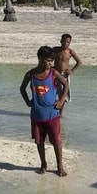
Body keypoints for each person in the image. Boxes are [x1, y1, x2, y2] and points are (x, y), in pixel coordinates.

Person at [20, 46, 69, 177]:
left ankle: (60, 167)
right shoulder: (31, 74)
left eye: (52, 61)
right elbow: (22, 89)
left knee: (57, 141)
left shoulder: (54, 73)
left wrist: (61, 101)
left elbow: (66, 85)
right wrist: (27, 101)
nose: (50, 64)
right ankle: (43, 164)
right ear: (40, 58)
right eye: (48, 60)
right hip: (36, 116)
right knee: (39, 141)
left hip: (52, 115)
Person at [53, 33, 82, 109]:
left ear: (70, 43)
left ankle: (60, 115)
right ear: (61, 41)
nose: (66, 43)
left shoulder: (70, 52)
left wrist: (72, 71)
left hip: (64, 75)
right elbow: (48, 58)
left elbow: (79, 62)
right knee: (51, 93)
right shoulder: (55, 50)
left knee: (63, 96)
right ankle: (52, 113)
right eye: (64, 41)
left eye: (68, 42)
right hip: (55, 74)